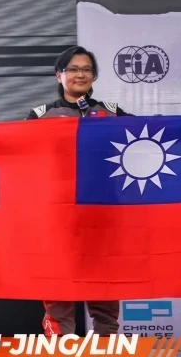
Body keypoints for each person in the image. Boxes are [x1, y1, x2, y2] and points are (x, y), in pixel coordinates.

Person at [26, 45, 132, 336]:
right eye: (73, 69)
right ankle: (61, 336)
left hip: (102, 209)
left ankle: (107, 337)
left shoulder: (110, 112)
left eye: (86, 69)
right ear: (59, 75)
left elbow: (151, 132)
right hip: (58, 209)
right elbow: (11, 145)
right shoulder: (42, 115)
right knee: (59, 271)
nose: (80, 74)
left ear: (94, 76)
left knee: (103, 273)